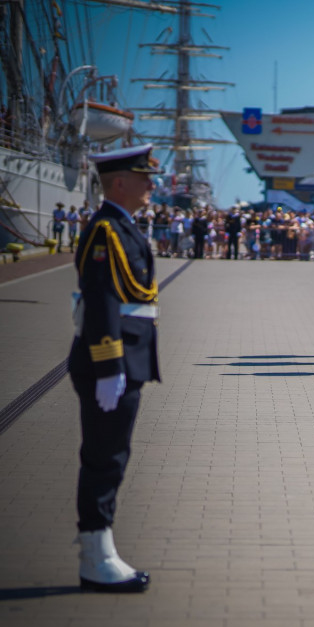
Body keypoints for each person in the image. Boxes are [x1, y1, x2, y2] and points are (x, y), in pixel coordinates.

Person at [69, 144, 161, 593]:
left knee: (112, 456)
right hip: (112, 360)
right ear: (119, 182)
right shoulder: (106, 230)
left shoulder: (120, 226)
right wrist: (108, 367)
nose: (151, 185)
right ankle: (95, 557)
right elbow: (103, 300)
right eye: (143, 178)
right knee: (105, 459)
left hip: (126, 359)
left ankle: (100, 549)